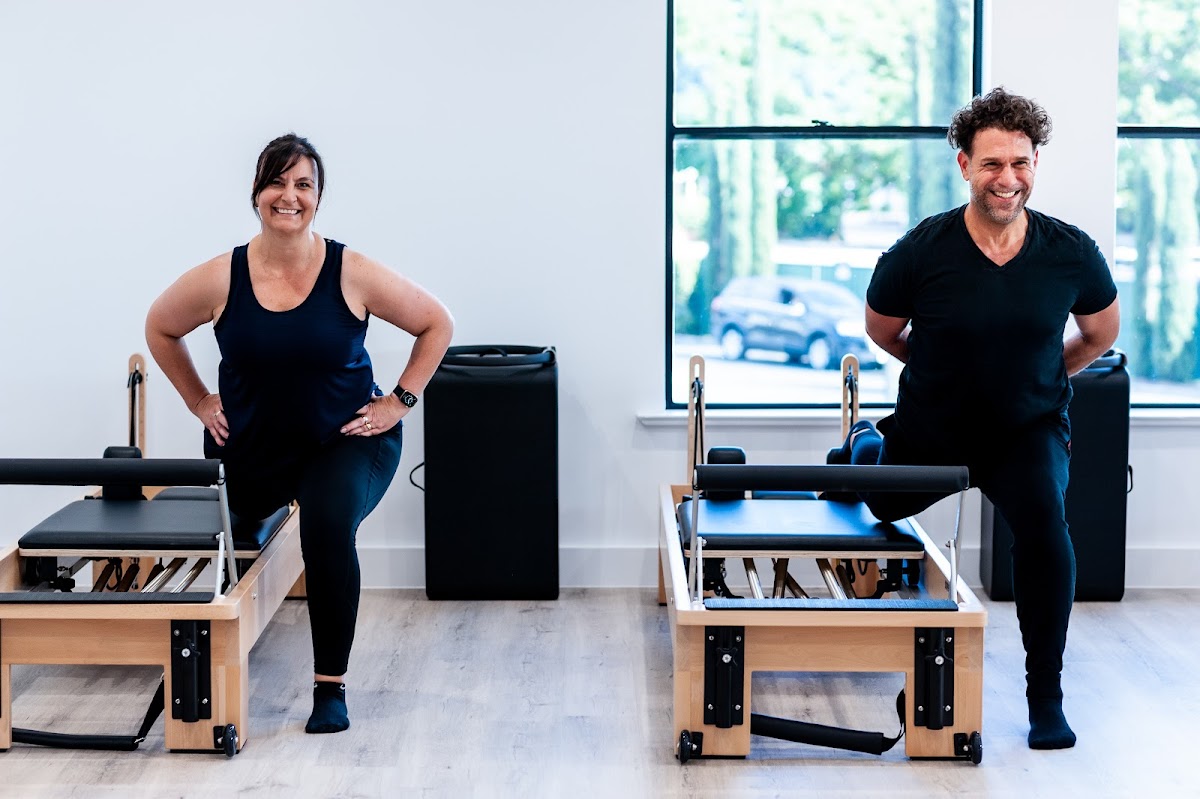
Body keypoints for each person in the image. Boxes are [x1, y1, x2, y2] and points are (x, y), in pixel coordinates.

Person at [828, 88, 1120, 750]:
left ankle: (1046, 697)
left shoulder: (1069, 252)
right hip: (936, 426)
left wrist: (1046, 376)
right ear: (964, 165)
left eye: (1019, 162)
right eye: (992, 163)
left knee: (1047, 529)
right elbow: (882, 329)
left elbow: (1100, 332)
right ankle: (866, 444)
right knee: (876, 502)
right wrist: (938, 370)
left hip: (1027, 430)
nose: (1007, 178)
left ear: (1036, 161)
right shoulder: (922, 250)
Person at [145, 133, 454, 734]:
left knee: (327, 522)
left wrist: (400, 401)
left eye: (303, 184)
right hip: (255, 445)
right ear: (257, 194)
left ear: (318, 197)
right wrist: (199, 400)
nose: (289, 196)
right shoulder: (221, 276)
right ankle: (194, 650)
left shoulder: (350, 271)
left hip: (344, 440)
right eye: (277, 183)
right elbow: (160, 327)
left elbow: (435, 323)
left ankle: (330, 687)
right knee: (230, 531)